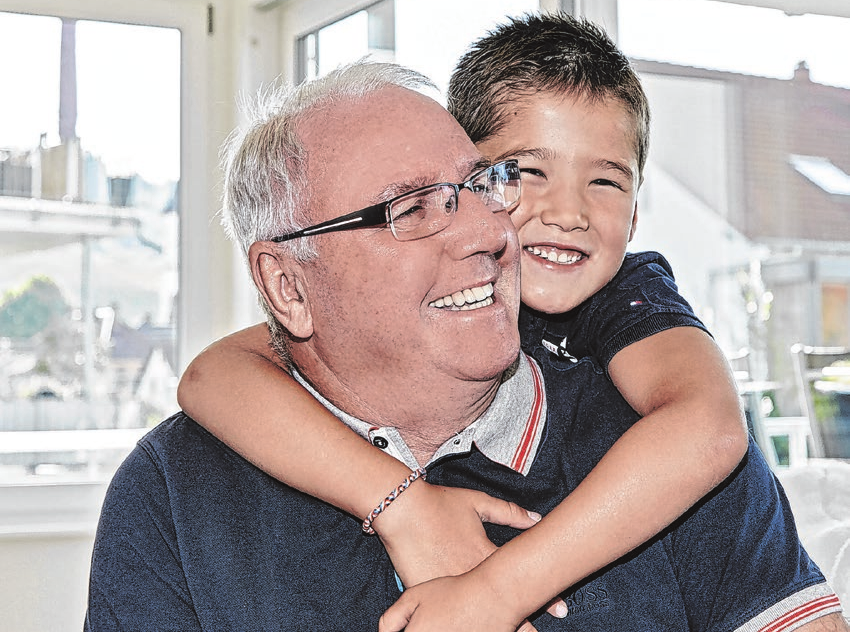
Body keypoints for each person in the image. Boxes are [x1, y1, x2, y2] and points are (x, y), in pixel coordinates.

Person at [86, 60, 844, 631]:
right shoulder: (175, 490)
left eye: (482, 184)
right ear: (287, 286)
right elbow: (214, 373)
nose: (493, 229)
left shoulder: (657, 440)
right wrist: (397, 500)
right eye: (413, 208)